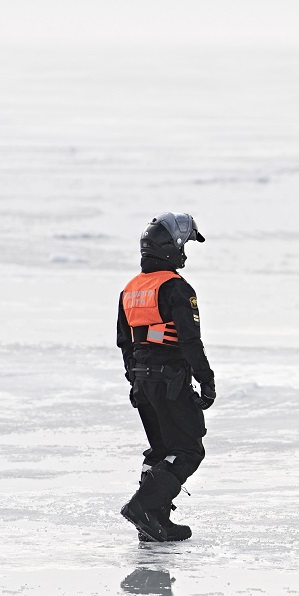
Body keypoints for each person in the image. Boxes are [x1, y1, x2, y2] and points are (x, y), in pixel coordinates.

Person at [117, 212, 215, 542]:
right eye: (184, 245)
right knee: (188, 451)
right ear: (169, 248)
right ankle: (145, 507)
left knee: (161, 451)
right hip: (171, 382)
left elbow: (125, 342)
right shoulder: (176, 288)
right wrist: (206, 379)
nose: (185, 252)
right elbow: (189, 340)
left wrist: (135, 380)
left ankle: (154, 520)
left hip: (144, 381)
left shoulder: (130, 290)